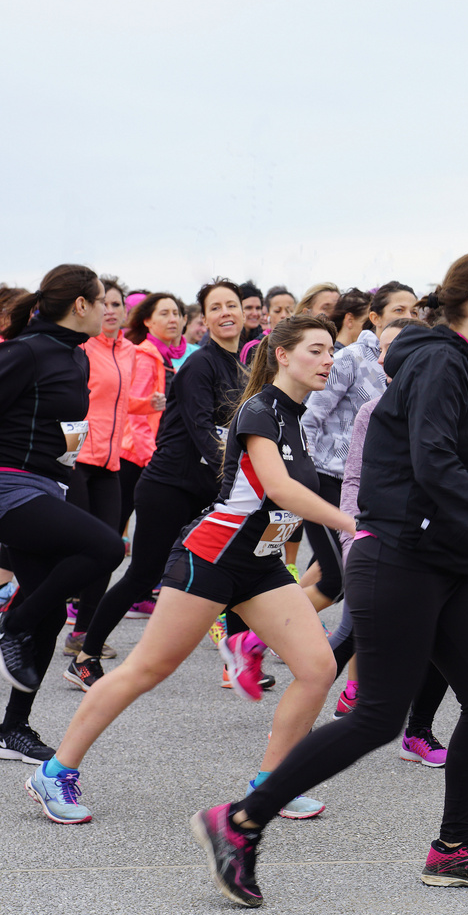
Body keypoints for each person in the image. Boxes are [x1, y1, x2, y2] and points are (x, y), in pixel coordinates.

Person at [193, 251, 468, 907]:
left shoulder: (465, 369)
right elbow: (434, 463)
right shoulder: (439, 362)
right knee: (378, 715)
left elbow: (443, 478)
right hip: (397, 559)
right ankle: (242, 820)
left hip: (442, 563)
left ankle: (453, 847)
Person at [31, 315, 351, 829]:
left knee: (317, 669)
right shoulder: (259, 410)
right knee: (148, 669)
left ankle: (271, 786)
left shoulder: (295, 414)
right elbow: (280, 489)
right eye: (317, 350)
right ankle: (55, 771)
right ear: (284, 355)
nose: (329, 360)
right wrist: (350, 522)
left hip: (262, 565)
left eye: (332, 350)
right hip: (214, 556)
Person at [69, 281, 248, 688]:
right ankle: (85, 654)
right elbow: (204, 431)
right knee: (142, 575)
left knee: (234, 570)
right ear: (202, 320)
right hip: (168, 485)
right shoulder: (200, 366)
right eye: (215, 307)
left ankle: (236, 659)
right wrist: (240, 473)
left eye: (231, 305)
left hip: (205, 486)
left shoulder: (240, 367)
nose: (225, 312)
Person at [0, 267, 124, 768]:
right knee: (107, 548)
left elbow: (65, 438)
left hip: (46, 486)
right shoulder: (24, 351)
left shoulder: (74, 356)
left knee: (51, 610)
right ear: (79, 305)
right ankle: (13, 625)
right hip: (8, 485)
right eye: (101, 303)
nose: (107, 312)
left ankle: (12, 728)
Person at [298, 281, 418, 613]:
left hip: (370, 484)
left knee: (332, 568)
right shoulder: (349, 358)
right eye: (398, 310)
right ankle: (261, 634)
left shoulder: (412, 361)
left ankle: (273, 620)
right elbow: (311, 417)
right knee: (339, 576)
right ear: (375, 318)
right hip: (327, 478)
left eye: (413, 310)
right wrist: (304, 473)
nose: (408, 316)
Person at [61, 281, 163, 664]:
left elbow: (119, 403)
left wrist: (147, 404)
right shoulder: (81, 348)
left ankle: (82, 634)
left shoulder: (130, 352)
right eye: (103, 302)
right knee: (71, 548)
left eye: (116, 303)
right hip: (76, 459)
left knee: (109, 550)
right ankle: (24, 613)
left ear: (125, 312)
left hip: (110, 463)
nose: (109, 309)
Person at [117, 292, 184, 537]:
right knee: (114, 527)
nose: (172, 319)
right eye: (164, 314)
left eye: (176, 313)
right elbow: (135, 412)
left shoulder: (163, 357)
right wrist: (150, 458)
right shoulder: (146, 356)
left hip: (145, 453)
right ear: (148, 321)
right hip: (134, 456)